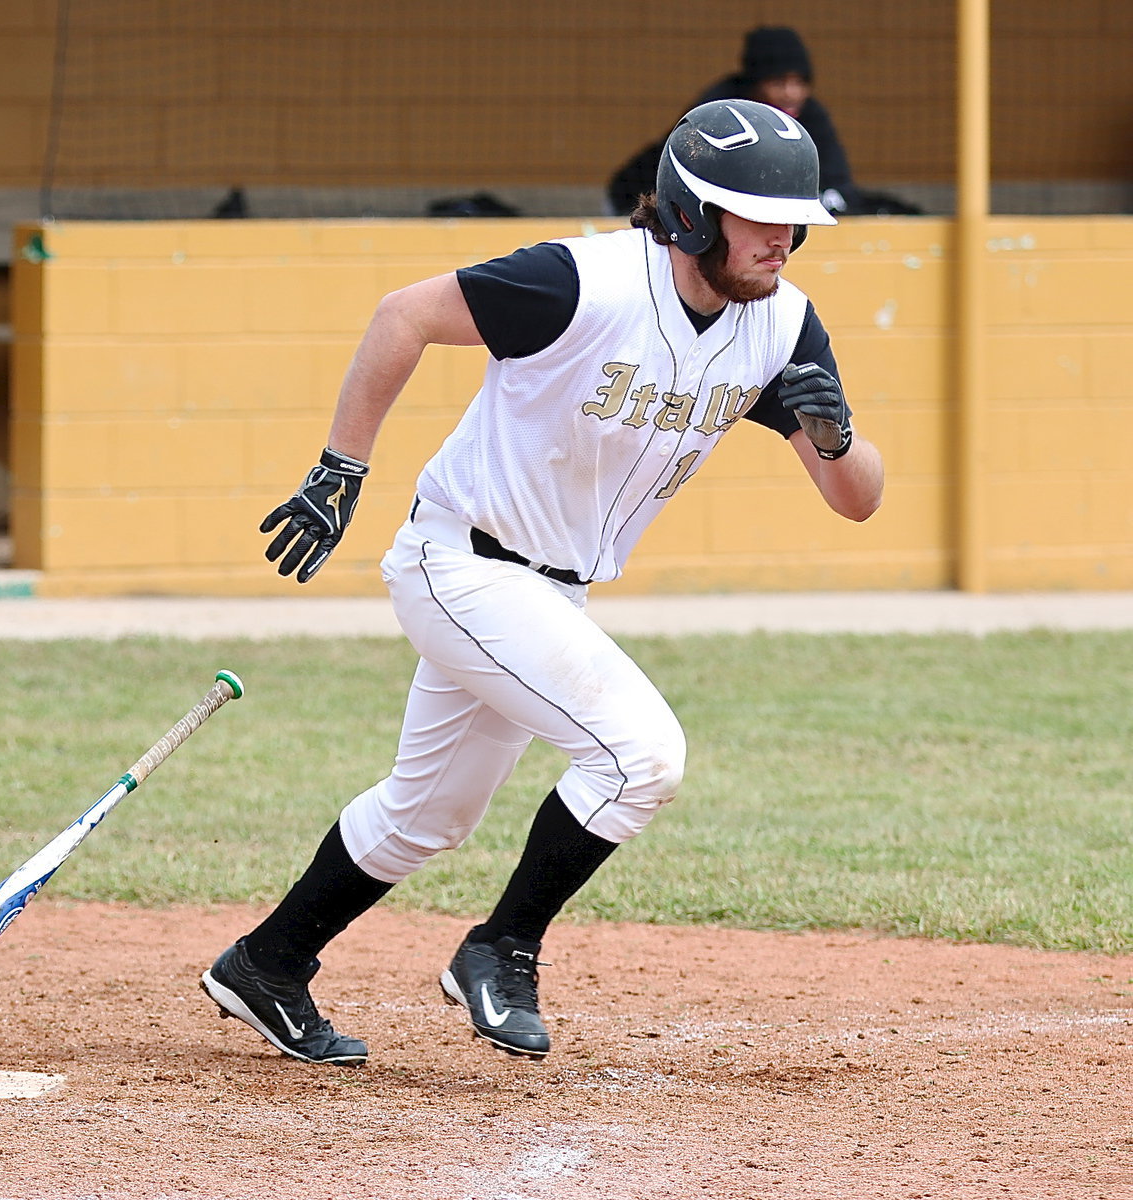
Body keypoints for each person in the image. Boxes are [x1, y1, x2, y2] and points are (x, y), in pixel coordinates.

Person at [200, 98, 884, 1067]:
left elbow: (855, 501)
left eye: (792, 222)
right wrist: (339, 469)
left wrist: (836, 437)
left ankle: (267, 963)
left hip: (552, 592)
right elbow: (405, 315)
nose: (782, 239)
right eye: (755, 215)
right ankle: (500, 948)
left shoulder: (778, 326)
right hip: (460, 565)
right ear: (690, 213)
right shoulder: (587, 280)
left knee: (429, 814)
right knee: (641, 757)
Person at [608, 26, 920, 218]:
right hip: (629, 197)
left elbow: (838, 183)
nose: (791, 93)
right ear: (754, 81)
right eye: (778, 81)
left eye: (800, 82)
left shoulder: (812, 115)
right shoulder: (719, 108)